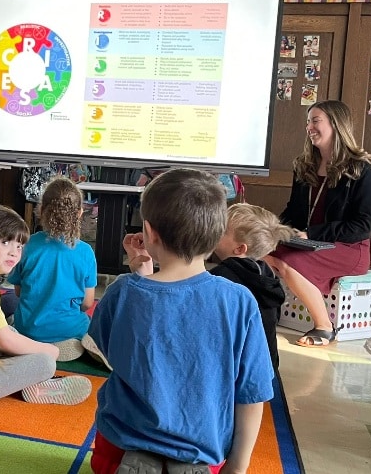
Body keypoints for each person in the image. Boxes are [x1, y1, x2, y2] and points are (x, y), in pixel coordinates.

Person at [90, 169, 274, 474]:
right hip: (205, 450)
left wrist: (141, 278)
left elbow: (110, 351)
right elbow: (252, 393)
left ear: (149, 232)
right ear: (217, 235)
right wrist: (237, 467)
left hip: (118, 449)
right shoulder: (240, 301)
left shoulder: (123, 291)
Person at [265, 100, 371, 347]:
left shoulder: (362, 169)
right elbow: (293, 212)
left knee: (290, 261)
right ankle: (268, 311)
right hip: (311, 242)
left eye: (315, 121)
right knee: (260, 250)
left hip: (349, 248)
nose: (309, 127)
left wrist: (312, 233)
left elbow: (361, 226)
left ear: (336, 125)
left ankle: (324, 326)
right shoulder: (303, 165)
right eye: (308, 121)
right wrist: (274, 230)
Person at [0, 206, 92, 406]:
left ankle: (30, 374)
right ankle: (37, 381)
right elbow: (3, 341)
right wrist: (48, 351)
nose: (14, 252)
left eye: (19, 246)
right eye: (5, 242)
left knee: (9, 326)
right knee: (44, 362)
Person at [7, 177, 96, 361]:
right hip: (70, 331)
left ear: (41, 210)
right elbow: (87, 303)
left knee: (7, 302)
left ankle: (31, 348)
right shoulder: (86, 252)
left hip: (29, 330)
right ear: (79, 213)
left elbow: (18, 291)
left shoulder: (28, 245)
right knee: (93, 322)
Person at [211, 203, 296, 370]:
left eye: (222, 231)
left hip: (238, 369)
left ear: (240, 248)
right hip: (267, 368)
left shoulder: (222, 277)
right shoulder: (267, 274)